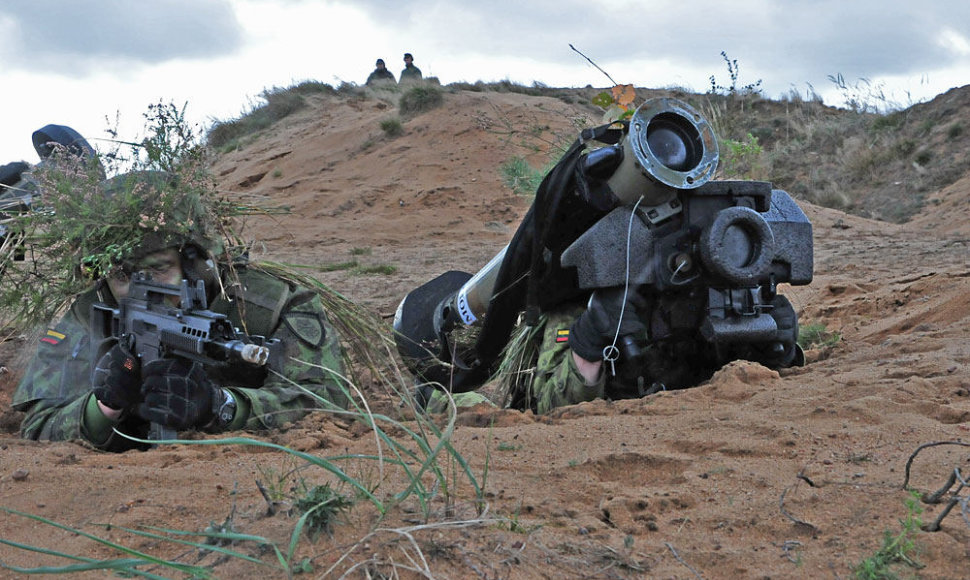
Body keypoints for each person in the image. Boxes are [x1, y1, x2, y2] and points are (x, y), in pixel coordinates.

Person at [12, 171, 350, 452]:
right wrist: (104, 406)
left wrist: (221, 406)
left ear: (196, 265)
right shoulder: (92, 313)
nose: (139, 289)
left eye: (159, 269)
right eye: (121, 275)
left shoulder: (268, 304)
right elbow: (37, 425)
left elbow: (329, 402)